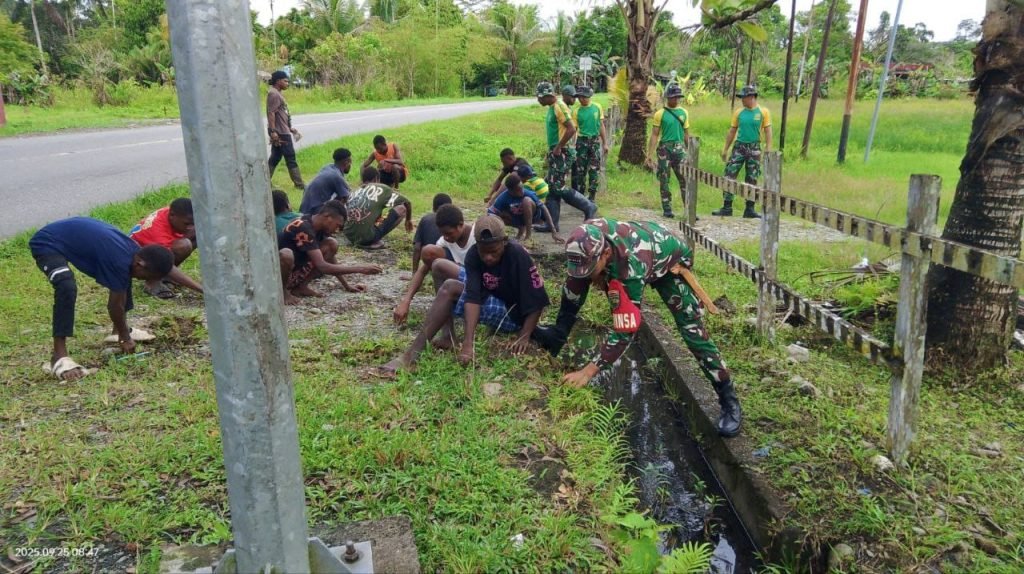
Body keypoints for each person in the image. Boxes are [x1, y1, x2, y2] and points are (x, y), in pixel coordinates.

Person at [532, 219, 742, 437]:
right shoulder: (586, 237)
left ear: (604, 255)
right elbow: (574, 285)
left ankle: (728, 399)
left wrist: (588, 372)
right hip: (639, 246)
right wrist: (562, 326)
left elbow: (626, 328)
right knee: (574, 287)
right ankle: (557, 337)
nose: (585, 274)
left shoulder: (629, 267)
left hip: (669, 259)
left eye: (590, 269)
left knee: (691, 329)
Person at [380, 215, 550, 374]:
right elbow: (472, 297)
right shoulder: (474, 255)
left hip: (514, 314)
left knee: (449, 288)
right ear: (477, 246)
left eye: (494, 252)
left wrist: (525, 335)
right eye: (484, 252)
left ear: (504, 242)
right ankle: (447, 337)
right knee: (443, 273)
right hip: (494, 295)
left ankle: (411, 356)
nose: (488, 258)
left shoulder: (517, 254)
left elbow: (537, 299)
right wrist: (468, 343)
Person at [30, 217, 174, 380]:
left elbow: (169, 270)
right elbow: (114, 305)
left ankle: (117, 331)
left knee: (123, 277)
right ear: (140, 265)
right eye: (147, 277)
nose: (144, 281)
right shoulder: (121, 261)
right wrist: (126, 339)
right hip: (48, 242)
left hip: (70, 235)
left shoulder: (135, 254)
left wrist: (202, 289)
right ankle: (59, 355)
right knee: (66, 286)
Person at [277, 200, 382, 305]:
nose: (337, 230)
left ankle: (301, 287)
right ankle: (283, 293)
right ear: (328, 217)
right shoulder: (302, 226)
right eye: (337, 225)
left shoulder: (317, 226)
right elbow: (323, 266)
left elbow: (330, 258)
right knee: (286, 254)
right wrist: (361, 268)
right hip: (278, 276)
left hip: (295, 273)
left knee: (331, 243)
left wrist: (346, 285)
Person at [393, 203, 475, 329]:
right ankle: (447, 325)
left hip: (479, 284)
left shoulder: (476, 236)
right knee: (429, 252)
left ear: (460, 225)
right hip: (459, 283)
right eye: (443, 234)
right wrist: (406, 301)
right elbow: (422, 270)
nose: (446, 237)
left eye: (449, 233)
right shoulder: (445, 241)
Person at [535, 82, 597, 231]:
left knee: (557, 186)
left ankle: (589, 206)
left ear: (547, 95)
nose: (538, 100)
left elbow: (571, 129)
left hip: (562, 152)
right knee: (551, 186)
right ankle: (552, 223)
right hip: (556, 152)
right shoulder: (553, 107)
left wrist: (558, 147)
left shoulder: (559, 106)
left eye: (539, 97)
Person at [715, 85, 771, 218]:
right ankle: (727, 206)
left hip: (754, 147)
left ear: (752, 97)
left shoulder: (763, 112)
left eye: (744, 97)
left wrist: (768, 149)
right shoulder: (739, 112)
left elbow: (768, 131)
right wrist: (725, 149)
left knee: (752, 177)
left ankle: (749, 208)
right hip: (739, 147)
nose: (742, 100)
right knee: (729, 174)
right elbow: (732, 131)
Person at [129, 198, 203, 298]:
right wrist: (202, 289)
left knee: (196, 232)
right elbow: (164, 262)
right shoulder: (158, 232)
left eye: (192, 223)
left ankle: (165, 277)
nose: (190, 227)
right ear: (172, 215)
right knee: (184, 246)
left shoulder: (174, 213)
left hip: (155, 250)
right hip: (139, 262)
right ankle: (152, 282)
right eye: (187, 224)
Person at [644, 83, 690, 219]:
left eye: (678, 97)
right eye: (673, 97)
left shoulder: (684, 113)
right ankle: (667, 208)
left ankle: (688, 209)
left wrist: (690, 152)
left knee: (685, 179)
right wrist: (649, 154)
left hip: (680, 148)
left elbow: (686, 134)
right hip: (665, 149)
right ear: (668, 98)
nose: (676, 100)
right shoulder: (660, 114)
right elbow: (654, 134)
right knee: (664, 179)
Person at [342, 167, 413, 249]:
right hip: (365, 237)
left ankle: (368, 236)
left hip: (349, 235)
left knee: (374, 209)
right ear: (376, 178)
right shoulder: (381, 187)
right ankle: (373, 240)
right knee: (402, 209)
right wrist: (408, 220)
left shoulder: (355, 191)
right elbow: (406, 202)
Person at [487, 173, 562, 244]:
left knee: (527, 200)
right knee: (497, 215)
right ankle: (520, 229)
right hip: (516, 219)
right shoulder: (504, 197)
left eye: (522, 188)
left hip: (534, 217)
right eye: (518, 190)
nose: (521, 192)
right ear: (510, 191)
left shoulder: (528, 193)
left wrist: (553, 231)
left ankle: (528, 236)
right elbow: (490, 212)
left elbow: (544, 208)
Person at [266, 70, 305, 190]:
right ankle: (299, 185)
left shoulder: (277, 93)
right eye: (285, 81)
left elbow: (280, 113)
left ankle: (264, 181)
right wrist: (273, 131)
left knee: (275, 157)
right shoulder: (274, 94)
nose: (288, 83)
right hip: (280, 133)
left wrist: (289, 128)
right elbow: (271, 113)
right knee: (290, 157)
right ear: (278, 81)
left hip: (282, 130)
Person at [573, 85, 608, 202]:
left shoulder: (597, 107)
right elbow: (574, 130)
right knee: (580, 169)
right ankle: (581, 193)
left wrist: (605, 143)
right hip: (581, 141)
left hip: (594, 140)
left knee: (594, 169)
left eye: (584, 97)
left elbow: (601, 125)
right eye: (579, 97)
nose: (582, 99)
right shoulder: (576, 111)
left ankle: (592, 194)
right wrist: (573, 145)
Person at [300, 148, 352, 215]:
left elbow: (345, 188)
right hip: (313, 211)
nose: (351, 165)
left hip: (305, 207)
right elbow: (348, 197)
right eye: (350, 161)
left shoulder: (328, 167)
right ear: (346, 162)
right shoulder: (336, 176)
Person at [412, 193, 452, 273]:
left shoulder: (426, 219)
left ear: (433, 208)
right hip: (449, 265)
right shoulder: (452, 220)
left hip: (429, 262)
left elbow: (417, 248)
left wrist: (414, 272)